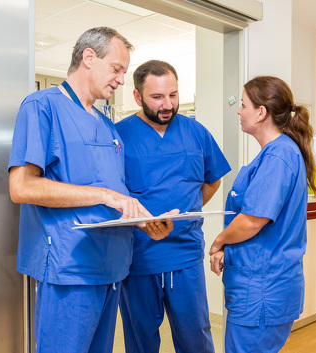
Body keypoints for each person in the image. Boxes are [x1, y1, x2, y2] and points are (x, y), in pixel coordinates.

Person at [8, 27, 175, 353]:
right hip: (70, 271)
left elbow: (115, 191)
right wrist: (103, 195)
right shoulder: (43, 107)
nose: (122, 80)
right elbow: (22, 186)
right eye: (117, 69)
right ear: (88, 57)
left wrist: (144, 220)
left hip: (111, 269)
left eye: (124, 72)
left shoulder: (106, 124)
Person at [115, 59, 231, 353]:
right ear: (138, 97)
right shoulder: (118, 135)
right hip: (138, 258)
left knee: (195, 339)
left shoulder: (196, 132)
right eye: (157, 97)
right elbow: (109, 193)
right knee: (141, 341)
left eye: (173, 95)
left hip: (185, 255)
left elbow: (212, 180)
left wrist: (187, 211)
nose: (167, 104)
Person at [209, 76, 316, 353]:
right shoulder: (277, 153)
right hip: (260, 282)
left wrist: (219, 242)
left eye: (243, 104)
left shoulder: (278, 157)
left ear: (261, 113)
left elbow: (251, 221)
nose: (238, 110)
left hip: (261, 289)